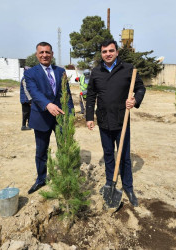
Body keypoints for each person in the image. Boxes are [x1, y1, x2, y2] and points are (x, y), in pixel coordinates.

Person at [86, 39, 146, 206]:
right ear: (101, 54)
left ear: (117, 52)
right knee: (108, 154)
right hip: (104, 121)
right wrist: (89, 117)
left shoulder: (128, 69)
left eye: (111, 51)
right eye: (104, 52)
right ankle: (109, 183)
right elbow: (91, 95)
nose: (108, 54)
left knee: (125, 156)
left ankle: (128, 186)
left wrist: (134, 100)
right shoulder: (96, 72)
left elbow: (140, 88)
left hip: (122, 121)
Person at [24, 42, 74, 194]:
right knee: (41, 151)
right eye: (41, 52)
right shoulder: (30, 73)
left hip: (60, 117)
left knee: (64, 148)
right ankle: (41, 179)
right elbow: (34, 92)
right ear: (36, 54)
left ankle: (66, 176)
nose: (44, 55)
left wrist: (70, 114)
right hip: (41, 117)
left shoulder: (60, 71)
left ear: (52, 54)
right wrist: (47, 105)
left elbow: (67, 93)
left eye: (47, 52)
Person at [20, 67, 32, 131]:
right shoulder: (24, 79)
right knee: (25, 113)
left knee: (29, 112)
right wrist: (30, 99)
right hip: (25, 99)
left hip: (26, 99)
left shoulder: (26, 78)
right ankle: (23, 126)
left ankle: (29, 124)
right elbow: (26, 90)